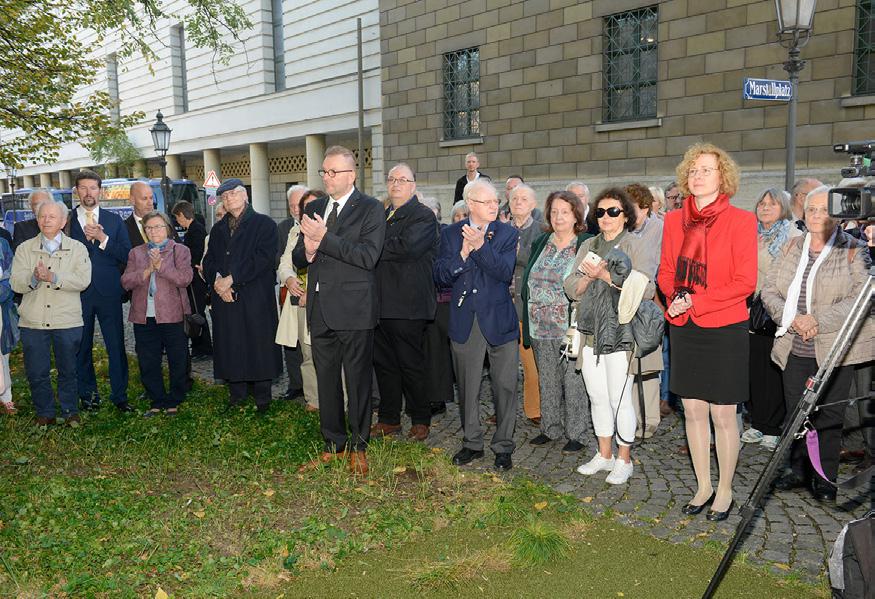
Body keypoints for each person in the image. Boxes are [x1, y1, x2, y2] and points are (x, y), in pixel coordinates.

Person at [657, 143, 756, 520]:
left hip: (725, 326)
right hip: (685, 327)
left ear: (723, 176)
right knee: (693, 410)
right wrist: (675, 298)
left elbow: (745, 282)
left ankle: (725, 490)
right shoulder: (673, 221)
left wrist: (695, 301)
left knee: (724, 414)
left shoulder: (741, 221)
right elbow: (666, 271)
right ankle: (703, 486)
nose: (697, 176)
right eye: (693, 170)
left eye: (706, 170)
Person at [762, 185, 874, 503]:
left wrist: (817, 320)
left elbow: (861, 298)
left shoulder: (853, 248)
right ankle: (798, 469)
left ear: (837, 215)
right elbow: (769, 290)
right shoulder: (791, 247)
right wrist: (794, 318)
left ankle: (825, 477)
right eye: (812, 209)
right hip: (793, 344)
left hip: (835, 349)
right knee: (796, 412)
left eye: (825, 210)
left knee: (829, 415)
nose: (816, 215)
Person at [293, 145, 386, 475]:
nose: (327, 177)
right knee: (327, 380)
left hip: (355, 309)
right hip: (320, 308)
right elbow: (298, 257)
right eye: (324, 171)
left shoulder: (371, 209)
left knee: (358, 381)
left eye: (334, 172)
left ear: (352, 175)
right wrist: (307, 250)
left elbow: (368, 257)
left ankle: (359, 446)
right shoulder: (314, 206)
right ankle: (333, 444)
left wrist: (324, 238)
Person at [564, 187, 652, 485]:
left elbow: (648, 289)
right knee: (597, 396)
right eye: (600, 211)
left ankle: (624, 459)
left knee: (619, 398)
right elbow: (570, 285)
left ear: (625, 215)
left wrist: (607, 277)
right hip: (590, 331)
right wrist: (588, 278)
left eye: (613, 211)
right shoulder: (589, 244)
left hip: (621, 333)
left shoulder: (634, 245)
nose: (606, 216)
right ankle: (604, 454)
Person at [434, 179, 518, 472]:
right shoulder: (450, 234)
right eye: (488, 202)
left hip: (499, 319)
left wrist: (480, 247)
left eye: (496, 201)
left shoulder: (507, 233)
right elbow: (440, 275)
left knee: (505, 386)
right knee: (468, 386)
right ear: (470, 203)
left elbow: (504, 272)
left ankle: (503, 446)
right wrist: (462, 255)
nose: (495, 206)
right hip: (465, 319)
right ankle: (472, 442)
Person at [371, 163, 439, 441]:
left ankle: (420, 418)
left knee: (411, 364)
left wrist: (371, 247)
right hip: (379, 303)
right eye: (392, 179)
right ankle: (389, 418)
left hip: (408, 304)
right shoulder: (381, 214)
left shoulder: (423, 216)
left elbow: (406, 248)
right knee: (384, 364)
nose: (396, 184)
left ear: (413, 186)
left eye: (402, 180)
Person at [203, 179, 282, 413]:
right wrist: (219, 282)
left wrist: (232, 279)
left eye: (233, 194)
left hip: (255, 296)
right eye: (224, 196)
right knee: (231, 344)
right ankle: (236, 394)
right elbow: (209, 260)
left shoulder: (264, 224)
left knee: (258, 345)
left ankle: (262, 398)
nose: (228, 199)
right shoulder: (218, 229)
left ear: (245, 195)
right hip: (225, 297)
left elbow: (264, 258)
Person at [522, 190, 592, 452]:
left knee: (573, 381)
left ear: (576, 216)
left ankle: (577, 434)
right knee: (547, 378)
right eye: (554, 212)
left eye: (565, 212)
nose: (559, 217)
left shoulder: (585, 243)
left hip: (570, 326)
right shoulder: (542, 241)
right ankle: (550, 428)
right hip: (539, 324)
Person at [11, 201, 91, 425]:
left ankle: (69, 411)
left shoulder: (77, 248)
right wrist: (34, 278)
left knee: (68, 370)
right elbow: (15, 283)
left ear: (63, 222)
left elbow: (83, 280)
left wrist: (54, 277)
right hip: (33, 321)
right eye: (42, 216)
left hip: (67, 320)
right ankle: (45, 413)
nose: (46, 220)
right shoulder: (24, 248)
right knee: (37, 371)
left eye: (52, 217)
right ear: (37, 220)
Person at [740, 189, 801, 452]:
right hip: (749, 308)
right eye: (762, 203)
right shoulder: (749, 234)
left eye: (772, 204)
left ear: (783, 208)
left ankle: (773, 427)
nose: (765, 207)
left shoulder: (793, 236)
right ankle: (757, 421)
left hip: (776, 309)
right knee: (753, 369)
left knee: (773, 368)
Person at [68, 169, 133, 412]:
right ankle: (88, 397)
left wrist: (104, 239)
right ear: (77, 191)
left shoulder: (114, 220)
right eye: (83, 188)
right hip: (78, 293)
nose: (88, 193)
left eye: (93, 188)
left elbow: (127, 255)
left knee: (115, 346)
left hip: (109, 292)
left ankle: (120, 396)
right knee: (81, 347)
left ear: (100, 191)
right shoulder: (66, 220)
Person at [121, 211, 193, 417]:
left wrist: (160, 267)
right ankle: (156, 399)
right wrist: (146, 271)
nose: (154, 231)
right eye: (149, 228)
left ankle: (175, 399)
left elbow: (185, 279)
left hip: (173, 314)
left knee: (177, 358)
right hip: (144, 315)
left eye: (158, 227)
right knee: (148, 359)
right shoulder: (136, 253)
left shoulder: (180, 250)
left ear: (167, 228)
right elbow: (125, 281)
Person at [276, 189, 326, 413]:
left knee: (331, 355)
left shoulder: (331, 229)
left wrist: (312, 292)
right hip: (299, 301)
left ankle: (342, 400)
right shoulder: (295, 232)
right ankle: (313, 399)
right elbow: (285, 262)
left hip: (324, 301)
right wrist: (288, 278)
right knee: (307, 354)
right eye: (306, 207)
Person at [626, 183, 665, 440]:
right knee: (628, 364)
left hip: (650, 304)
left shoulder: (659, 229)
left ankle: (650, 419)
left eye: (635, 208)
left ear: (646, 208)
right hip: (625, 302)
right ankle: (632, 418)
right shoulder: (622, 230)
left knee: (649, 364)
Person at [507, 184, 544, 425]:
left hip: (527, 307)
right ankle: (503, 409)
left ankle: (534, 409)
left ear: (533, 204)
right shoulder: (499, 229)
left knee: (530, 364)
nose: (518, 202)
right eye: (514, 199)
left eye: (523, 199)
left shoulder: (541, 231)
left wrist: (514, 254)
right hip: (501, 305)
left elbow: (535, 261)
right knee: (503, 365)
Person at [420, 196, 455, 415]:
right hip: (421, 299)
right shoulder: (418, 234)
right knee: (426, 350)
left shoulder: (445, 233)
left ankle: (438, 397)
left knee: (437, 351)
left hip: (441, 300)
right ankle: (427, 395)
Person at [275, 184, 308, 400]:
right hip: (288, 292)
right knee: (290, 340)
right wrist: (287, 277)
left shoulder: (318, 224)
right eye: (292, 205)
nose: (296, 209)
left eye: (299, 204)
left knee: (309, 342)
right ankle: (296, 384)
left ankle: (313, 388)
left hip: (311, 292)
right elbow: (278, 257)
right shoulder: (284, 228)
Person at [171, 200, 212, 357]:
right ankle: (199, 346)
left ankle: (203, 347)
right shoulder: (194, 229)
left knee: (197, 313)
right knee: (195, 312)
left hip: (195, 279)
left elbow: (195, 255)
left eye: (177, 217)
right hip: (193, 278)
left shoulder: (196, 230)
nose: (177, 221)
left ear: (182, 215)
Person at [0, 235, 18, 415]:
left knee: (2, 354)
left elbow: (10, 276)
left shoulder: (2, 244)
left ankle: (6, 397)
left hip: (0, 306)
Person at [125, 181, 157, 248]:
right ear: (132, 200)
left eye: (151, 198)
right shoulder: (123, 228)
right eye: (144, 199)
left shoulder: (165, 222)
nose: (150, 203)